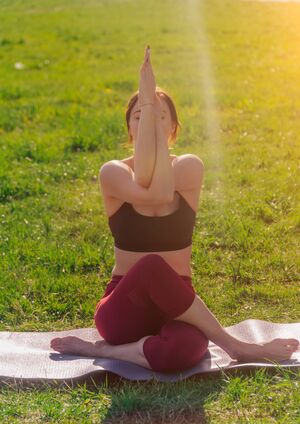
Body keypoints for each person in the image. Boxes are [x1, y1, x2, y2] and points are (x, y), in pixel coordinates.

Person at [50, 46, 299, 372]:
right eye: (139, 115)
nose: (149, 118)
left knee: (181, 353)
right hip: (124, 307)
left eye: (159, 116)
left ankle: (104, 350)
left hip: (178, 304)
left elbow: (162, 188)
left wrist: (150, 114)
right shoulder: (112, 172)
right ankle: (235, 346)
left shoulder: (189, 167)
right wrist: (150, 105)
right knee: (152, 266)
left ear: (174, 128)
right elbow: (151, 193)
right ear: (129, 129)